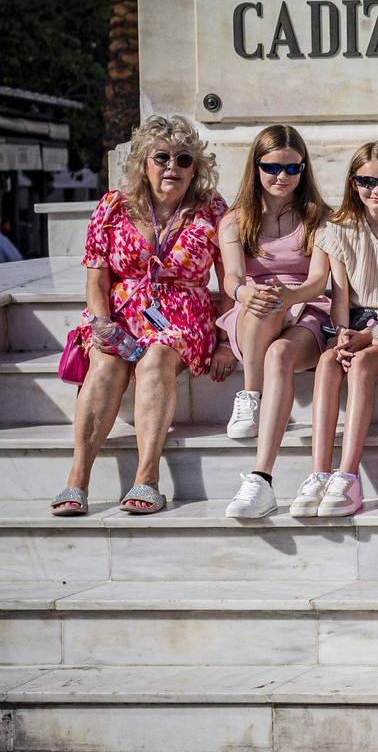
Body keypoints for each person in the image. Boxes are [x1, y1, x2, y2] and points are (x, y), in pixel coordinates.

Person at [50, 116, 231, 516]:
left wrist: (225, 340)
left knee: (157, 360)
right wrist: (101, 324)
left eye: (184, 160)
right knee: (105, 366)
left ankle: (146, 478)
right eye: (162, 157)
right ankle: (77, 479)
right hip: (118, 315)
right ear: (143, 164)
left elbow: (232, 279)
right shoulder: (113, 206)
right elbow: (96, 278)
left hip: (183, 319)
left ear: (195, 168)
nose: (173, 167)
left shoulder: (212, 209)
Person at [291, 142, 378, 517]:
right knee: (327, 363)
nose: (377, 190)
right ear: (353, 183)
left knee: (363, 365)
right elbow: (339, 295)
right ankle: (319, 474)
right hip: (354, 324)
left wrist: (369, 337)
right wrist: (340, 334)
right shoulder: (337, 229)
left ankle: (348, 476)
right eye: (366, 181)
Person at [219, 125, 332, 518]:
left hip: (307, 309)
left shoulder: (320, 217)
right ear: (255, 167)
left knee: (280, 354)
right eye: (271, 168)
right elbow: (231, 277)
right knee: (261, 301)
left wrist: (290, 296)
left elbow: (318, 280)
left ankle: (260, 480)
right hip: (252, 314)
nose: (281, 177)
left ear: (304, 169)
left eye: (292, 168)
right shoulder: (235, 220)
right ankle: (251, 394)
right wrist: (244, 293)